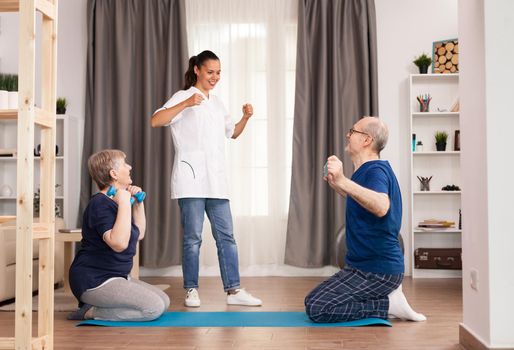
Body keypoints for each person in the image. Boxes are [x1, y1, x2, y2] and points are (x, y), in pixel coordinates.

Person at [151, 50, 262, 307]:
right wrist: (186, 104)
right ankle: (191, 289)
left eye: (219, 72)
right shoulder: (182, 96)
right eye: (210, 72)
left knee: (227, 237)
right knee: (193, 237)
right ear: (198, 70)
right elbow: (156, 120)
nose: (215, 77)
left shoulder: (217, 102)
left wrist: (245, 117)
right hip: (190, 179)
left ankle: (234, 291)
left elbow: (232, 133)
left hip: (216, 181)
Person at [305, 117, 426, 323]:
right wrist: (339, 185)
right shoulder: (365, 172)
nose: (347, 135)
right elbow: (364, 202)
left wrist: (343, 180)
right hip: (360, 267)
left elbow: (381, 206)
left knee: (318, 308)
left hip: (378, 271)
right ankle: (389, 300)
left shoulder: (376, 170)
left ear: (367, 140)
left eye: (352, 131)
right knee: (311, 301)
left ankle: (387, 305)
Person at [67, 149, 170, 321]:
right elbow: (119, 243)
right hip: (94, 280)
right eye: (124, 164)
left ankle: (100, 305)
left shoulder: (117, 202)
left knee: (164, 301)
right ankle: (90, 312)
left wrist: (137, 203)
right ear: (114, 173)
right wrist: (124, 203)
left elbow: (139, 234)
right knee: (153, 308)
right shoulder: (99, 204)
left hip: (117, 276)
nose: (129, 167)